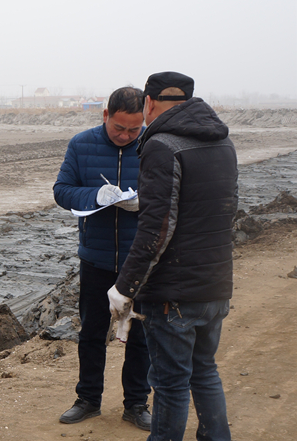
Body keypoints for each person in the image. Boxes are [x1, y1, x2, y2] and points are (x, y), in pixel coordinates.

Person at [108, 72, 237, 441]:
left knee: (170, 383)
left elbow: (157, 229)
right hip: (214, 286)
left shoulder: (162, 145)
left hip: (173, 296)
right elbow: (228, 211)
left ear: (148, 103)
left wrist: (125, 287)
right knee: (204, 371)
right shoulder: (223, 141)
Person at [53, 86, 152, 430]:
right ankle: (88, 399)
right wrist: (95, 195)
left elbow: (173, 196)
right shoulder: (82, 145)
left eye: (133, 129)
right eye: (118, 128)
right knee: (93, 332)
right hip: (96, 258)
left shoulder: (153, 146)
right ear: (106, 115)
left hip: (140, 260)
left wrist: (144, 201)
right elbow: (62, 191)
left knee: (140, 335)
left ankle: (137, 403)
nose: (125, 136)